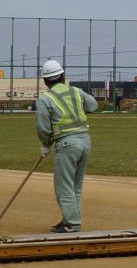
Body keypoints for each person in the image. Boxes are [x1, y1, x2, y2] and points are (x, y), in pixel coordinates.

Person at [35, 59, 99, 234]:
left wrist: (45, 144)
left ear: (46, 81)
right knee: (75, 187)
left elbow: (43, 127)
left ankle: (71, 223)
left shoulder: (45, 98)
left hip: (67, 144)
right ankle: (70, 220)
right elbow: (93, 105)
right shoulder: (76, 92)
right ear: (63, 76)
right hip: (85, 140)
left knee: (64, 187)